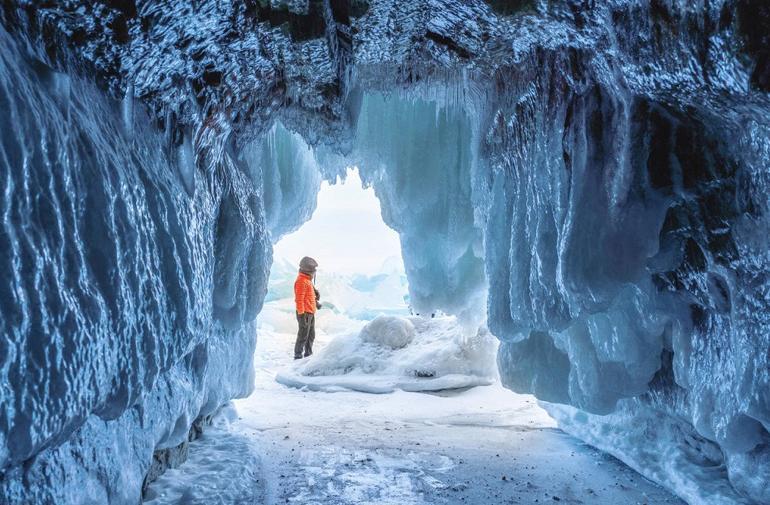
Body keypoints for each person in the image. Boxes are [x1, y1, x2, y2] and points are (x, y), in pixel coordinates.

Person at [294, 256, 321, 359]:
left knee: (311, 335)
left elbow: (308, 297)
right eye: (313, 270)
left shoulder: (307, 280)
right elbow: (299, 300)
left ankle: (308, 355)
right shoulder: (301, 281)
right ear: (308, 271)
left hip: (310, 312)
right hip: (304, 313)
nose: (314, 272)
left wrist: (316, 302)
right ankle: (298, 356)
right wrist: (301, 315)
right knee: (303, 337)